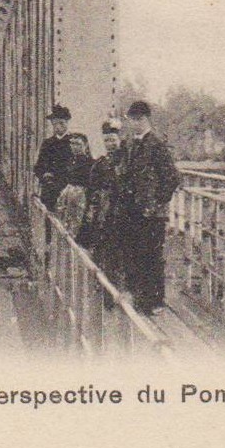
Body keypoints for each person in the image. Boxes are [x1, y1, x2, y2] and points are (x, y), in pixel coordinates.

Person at [112, 100, 180, 315]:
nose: (133, 124)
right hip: (132, 210)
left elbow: (172, 178)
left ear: (145, 120)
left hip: (152, 214)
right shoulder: (131, 144)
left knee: (151, 255)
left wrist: (157, 202)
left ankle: (154, 302)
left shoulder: (157, 145)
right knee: (132, 252)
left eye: (136, 120)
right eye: (131, 120)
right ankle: (137, 297)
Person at [82, 118, 124, 262]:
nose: (110, 144)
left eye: (113, 140)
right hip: (104, 208)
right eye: (106, 141)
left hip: (121, 207)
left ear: (119, 139)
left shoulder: (125, 161)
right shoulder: (101, 163)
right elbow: (92, 188)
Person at [32, 104, 76, 211]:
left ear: (67, 123)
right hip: (49, 189)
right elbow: (38, 167)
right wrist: (44, 174)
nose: (58, 126)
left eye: (62, 123)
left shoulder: (74, 142)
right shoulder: (48, 143)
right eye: (55, 124)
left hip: (67, 190)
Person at [55, 132, 95, 238]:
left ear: (85, 145)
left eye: (78, 144)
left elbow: (91, 185)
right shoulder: (70, 161)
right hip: (67, 197)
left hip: (80, 197)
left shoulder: (91, 163)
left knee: (76, 227)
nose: (74, 147)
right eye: (72, 144)